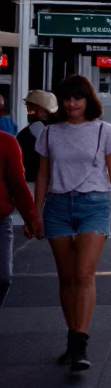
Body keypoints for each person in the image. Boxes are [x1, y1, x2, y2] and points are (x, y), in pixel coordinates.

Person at [35, 75, 111, 370]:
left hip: (94, 204)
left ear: (89, 99)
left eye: (78, 97)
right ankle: (71, 335)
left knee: (84, 273)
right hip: (58, 206)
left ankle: (80, 344)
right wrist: (35, 213)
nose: (72, 103)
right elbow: (42, 176)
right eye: (66, 98)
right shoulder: (49, 134)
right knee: (66, 278)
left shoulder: (105, 131)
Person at [1, 129, 40, 307]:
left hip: (0, 220)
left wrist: (30, 218)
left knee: (3, 277)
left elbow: (18, 183)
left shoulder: (7, 142)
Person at [18, 90, 57, 183]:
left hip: (34, 180)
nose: (28, 111)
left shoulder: (38, 128)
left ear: (44, 110)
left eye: (32, 108)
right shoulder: (56, 128)